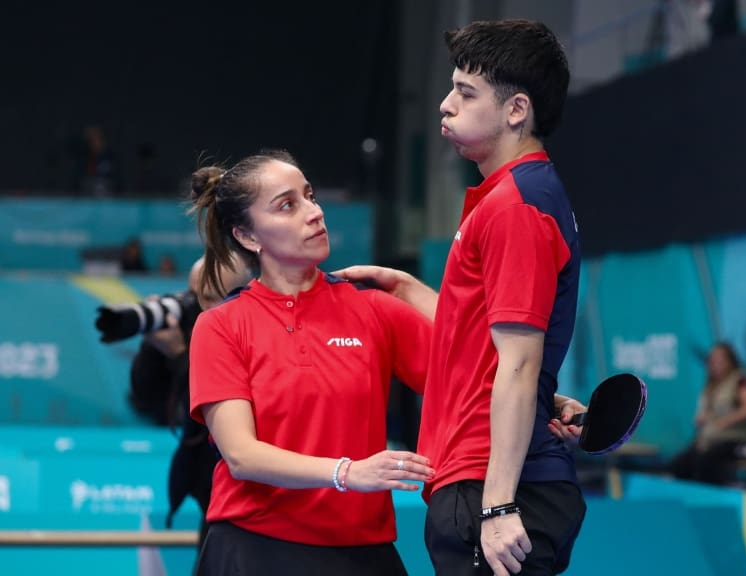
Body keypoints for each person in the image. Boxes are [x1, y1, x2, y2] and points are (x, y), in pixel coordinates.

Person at [335, 19, 586, 576]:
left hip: (494, 488)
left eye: (465, 93)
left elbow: (519, 363)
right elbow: (481, 332)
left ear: (516, 109)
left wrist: (498, 506)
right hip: (474, 477)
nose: (445, 105)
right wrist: (406, 289)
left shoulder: (517, 207)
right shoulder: (504, 195)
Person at [186, 149, 436, 576]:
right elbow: (242, 455)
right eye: (288, 205)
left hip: (362, 552)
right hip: (254, 550)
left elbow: (475, 380)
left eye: (310, 195)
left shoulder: (374, 307)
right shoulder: (220, 326)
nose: (315, 212)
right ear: (248, 237)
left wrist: (414, 289)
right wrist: (348, 472)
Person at [129, 253, 254, 560]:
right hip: (209, 497)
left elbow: (218, 395)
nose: (198, 307)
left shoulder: (254, 334)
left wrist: (178, 354)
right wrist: (153, 346)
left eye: (209, 297)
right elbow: (145, 395)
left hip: (247, 501)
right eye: (191, 295)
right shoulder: (192, 323)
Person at [669, 341, 746, 485]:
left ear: (730, 361)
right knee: (679, 465)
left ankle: (715, 499)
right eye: (712, 360)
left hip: (734, 439)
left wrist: (727, 420)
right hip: (709, 439)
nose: (715, 364)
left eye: (720, 360)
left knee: (707, 463)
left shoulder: (739, 380)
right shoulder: (711, 385)